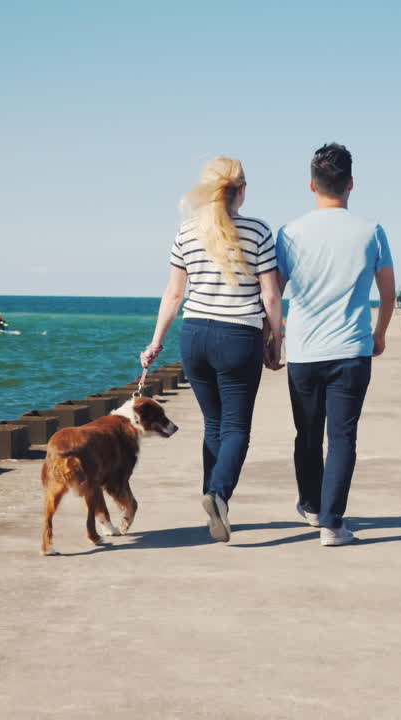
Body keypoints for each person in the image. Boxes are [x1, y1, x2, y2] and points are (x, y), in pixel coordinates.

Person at [140, 156, 284, 543]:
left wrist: (155, 342)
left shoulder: (187, 231)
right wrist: (276, 340)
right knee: (236, 428)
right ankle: (217, 494)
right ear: (242, 190)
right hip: (239, 336)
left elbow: (174, 294)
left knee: (214, 426)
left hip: (195, 337)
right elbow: (270, 295)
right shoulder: (258, 231)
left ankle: (214, 505)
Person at [275, 142, 394, 546]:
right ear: (351, 184)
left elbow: (274, 293)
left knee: (307, 434)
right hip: (352, 350)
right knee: (342, 437)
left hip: (304, 351)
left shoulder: (289, 233)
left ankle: (311, 506)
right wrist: (380, 334)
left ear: (312, 185)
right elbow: (388, 293)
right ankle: (331, 524)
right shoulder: (371, 232)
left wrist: (274, 337)